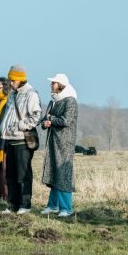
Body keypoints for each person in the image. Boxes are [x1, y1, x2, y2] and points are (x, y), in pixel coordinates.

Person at [0, 64, 42, 214]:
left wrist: (21, 125)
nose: (10, 83)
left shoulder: (31, 94)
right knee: (10, 176)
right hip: (9, 140)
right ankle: (12, 205)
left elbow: (36, 116)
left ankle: (25, 205)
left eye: (13, 80)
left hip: (22, 141)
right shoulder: (13, 94)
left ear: (20, 79)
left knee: (23, 176)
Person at [40, 73, 78, 217]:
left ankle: (66, 208)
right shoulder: (53, 101)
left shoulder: (70, 101)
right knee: (54, 173)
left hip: (64, 143)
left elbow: (67, 120)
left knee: (63, 174)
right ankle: (53, 205)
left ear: (61, 85)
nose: (51, 85)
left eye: (54, 83)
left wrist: (52, 119)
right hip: (52, 142)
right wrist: (45, 122)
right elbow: (45, 119)